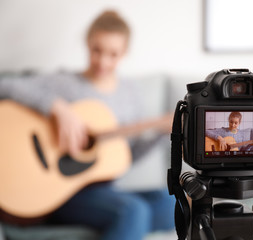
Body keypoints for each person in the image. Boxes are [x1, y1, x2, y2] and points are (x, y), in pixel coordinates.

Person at [0, 10, 174, 240]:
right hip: (62, 193)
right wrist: (57, 107)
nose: (103, 61)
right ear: (87, 44)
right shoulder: (65, 83)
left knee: (173, 204)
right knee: (133, 211)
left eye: (113, 54)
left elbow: (125, 158)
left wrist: (160, 133)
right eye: (96, 50)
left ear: (124, 54)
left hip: (104, 192)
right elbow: (6, 85)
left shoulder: (131, 94)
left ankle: (124, 223)